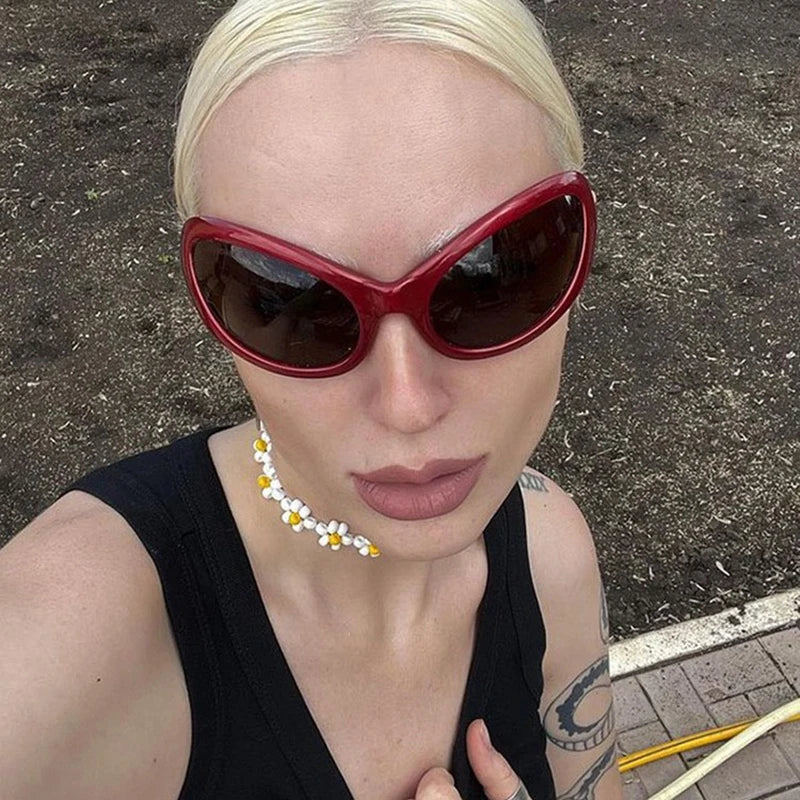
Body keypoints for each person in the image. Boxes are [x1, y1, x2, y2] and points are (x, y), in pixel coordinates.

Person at [0, 1, 625, 798]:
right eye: (296, 302)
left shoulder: (549, 554)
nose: (407, 404)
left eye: (492, 276)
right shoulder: (70, 645)